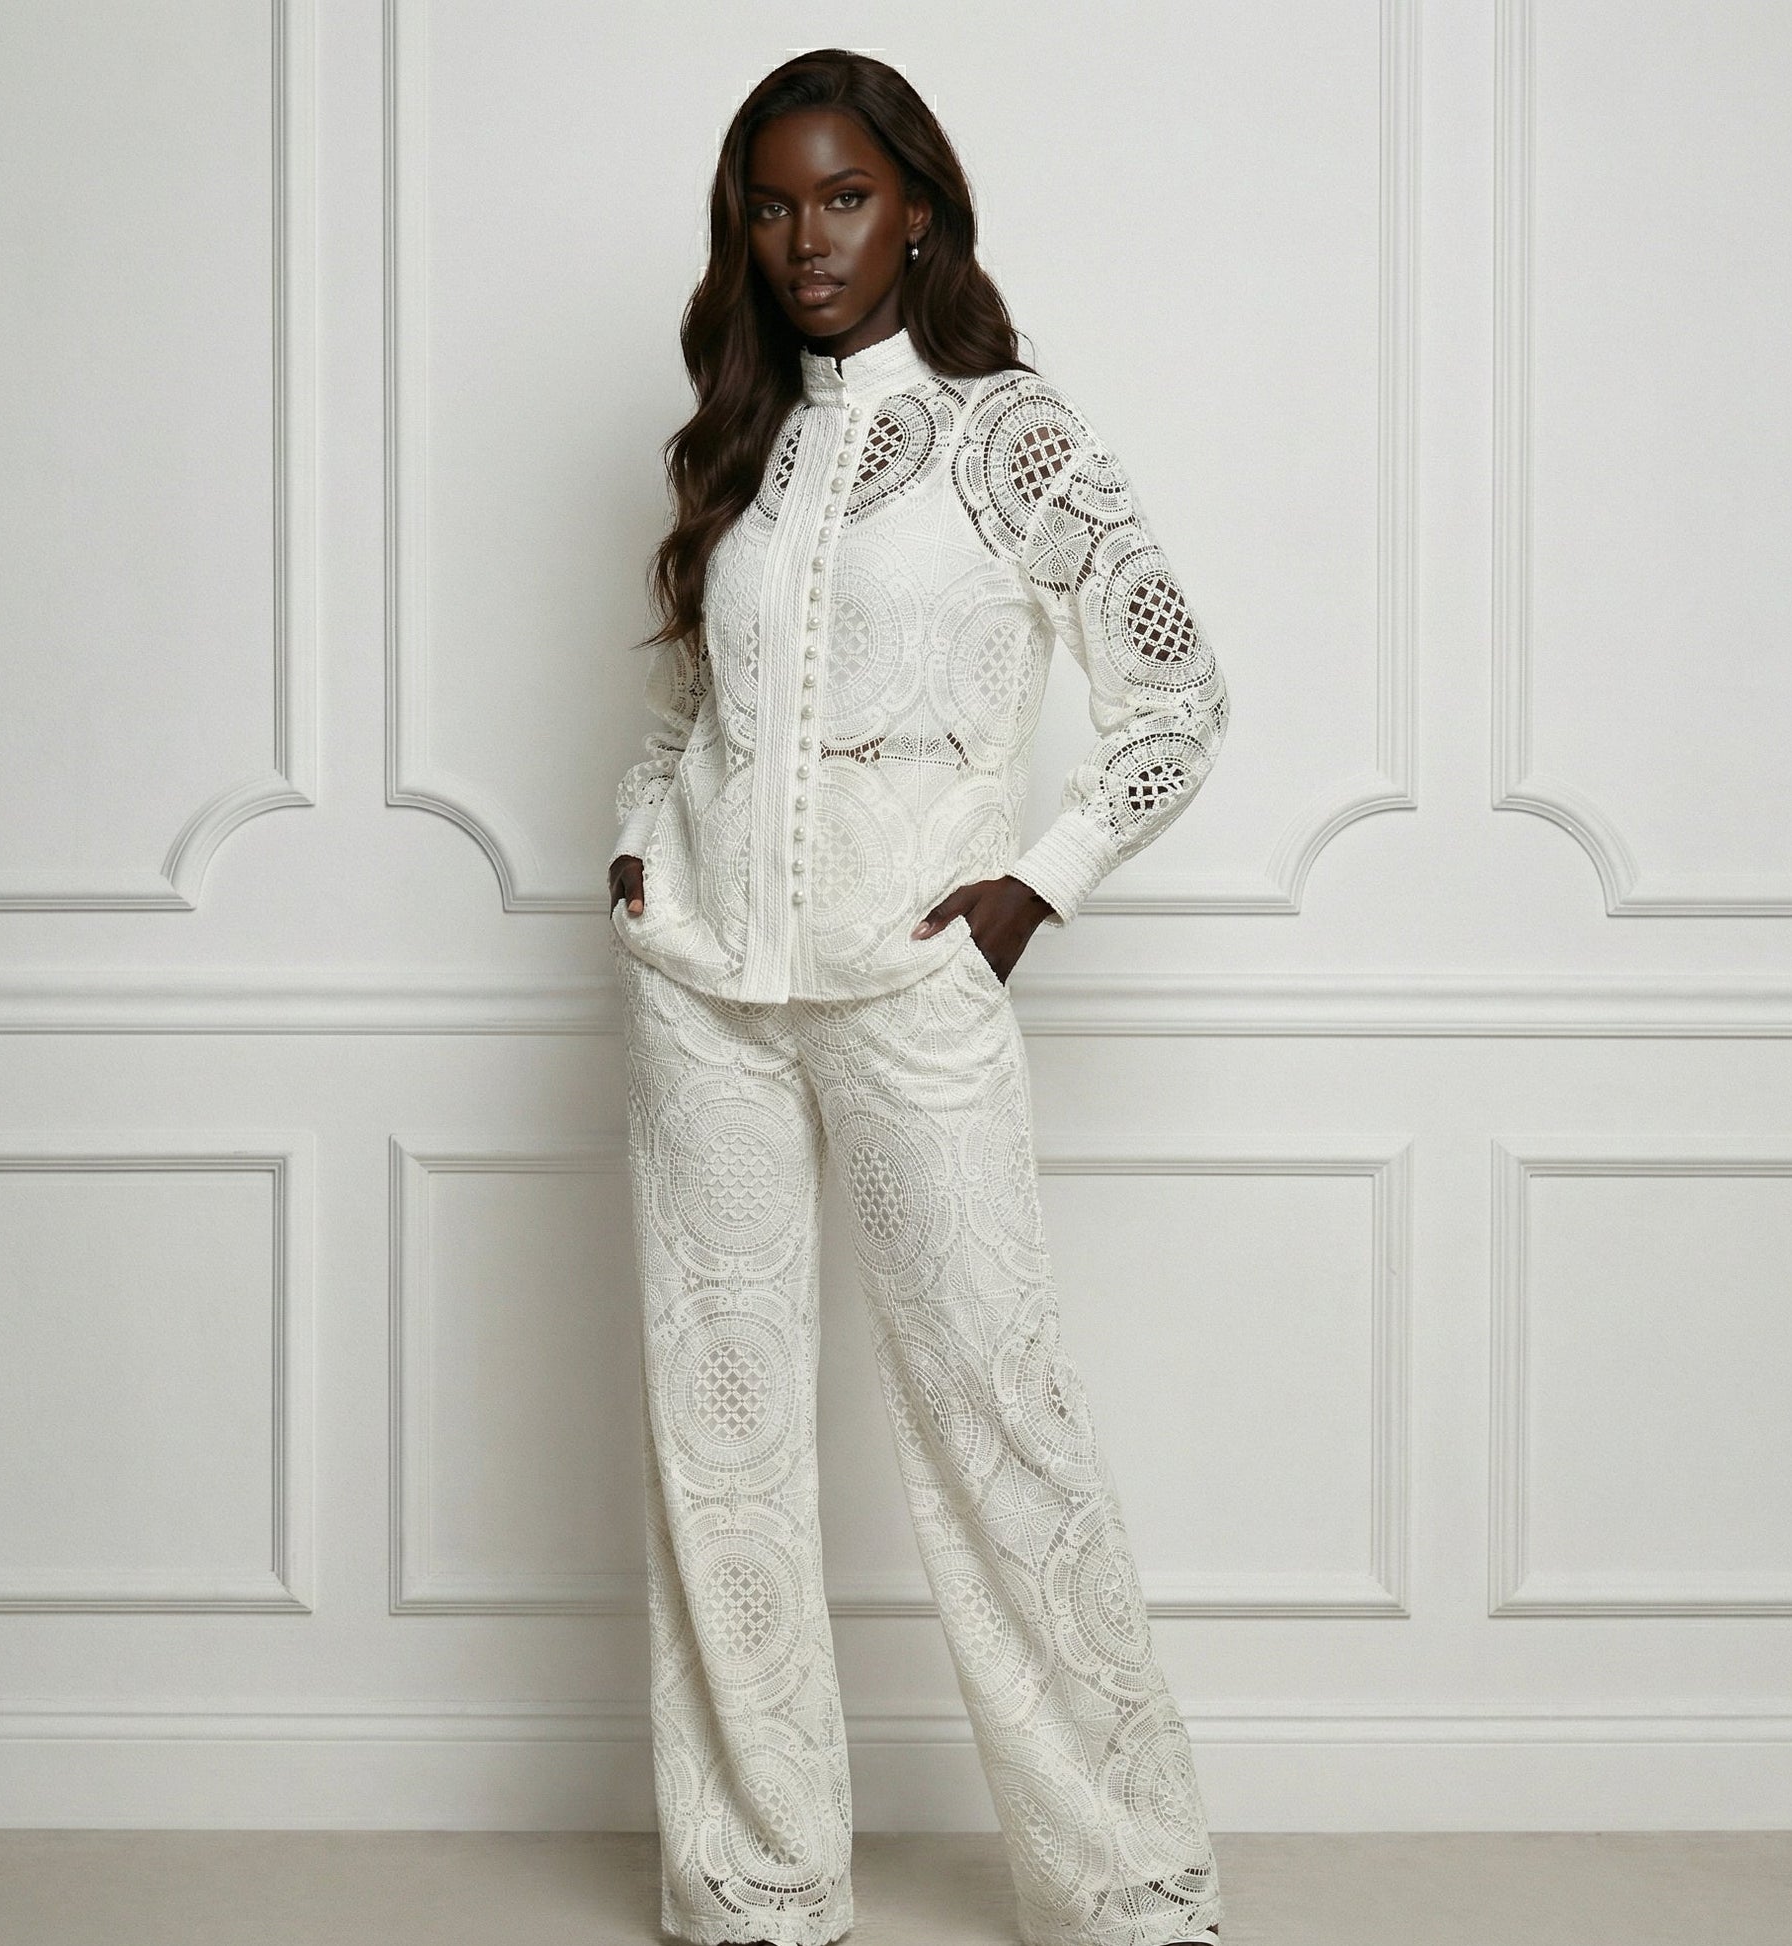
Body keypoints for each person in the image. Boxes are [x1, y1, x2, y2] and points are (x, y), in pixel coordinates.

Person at [605, 47, 1229, 1946]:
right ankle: (756, 1881)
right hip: (702, 983)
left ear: (917, 209)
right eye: (774, 205)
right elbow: (696, 709)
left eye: (844, 198)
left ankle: (1124, 1882)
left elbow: (1176, 696)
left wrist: (1029, 891)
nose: (807, 237)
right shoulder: (737, 438)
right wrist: (642, 845)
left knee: (995, 1411)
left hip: (911, 979)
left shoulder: (1002, 433)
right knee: (718, 1438)